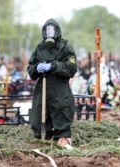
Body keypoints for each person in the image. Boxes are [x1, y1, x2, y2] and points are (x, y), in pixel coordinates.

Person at [27, 18, 77, 149]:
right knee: (39, 115)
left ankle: (63, 142)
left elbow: (71, 68)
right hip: (42, 89)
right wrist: (37, 67)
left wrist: (53, 66)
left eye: (52, 30)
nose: (50, 33)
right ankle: (44, 142)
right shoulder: (39, 48)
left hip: (60, 89)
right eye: (47, 30)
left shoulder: (66, 47)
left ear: (57, 31)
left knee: (62, 113)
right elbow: (31, 70)